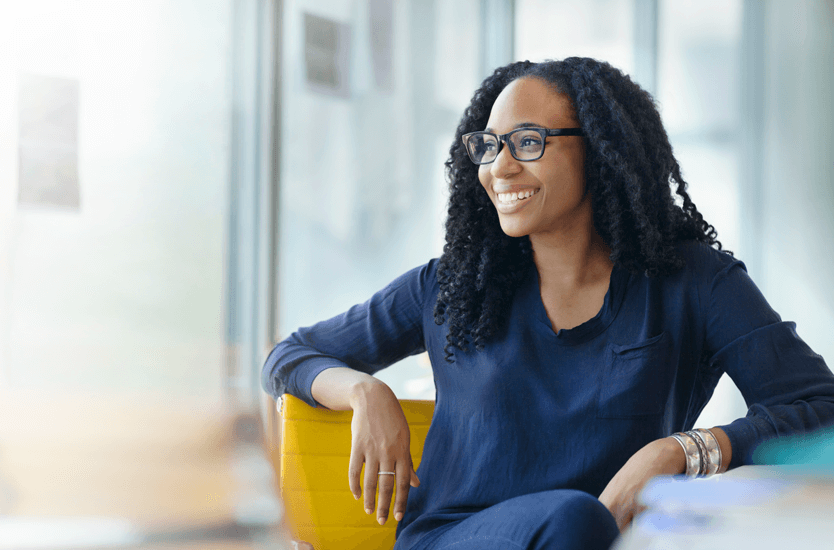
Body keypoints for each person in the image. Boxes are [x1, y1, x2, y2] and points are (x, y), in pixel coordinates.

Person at [261, 57, 834, 550]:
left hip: (604, 540)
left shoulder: (695, 283)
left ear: (602, 153)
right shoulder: (449, 286)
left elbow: (818, 405)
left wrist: (677, 452)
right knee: (572, 515)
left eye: (529, 142)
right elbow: (290, 355)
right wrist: (365, 390)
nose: (499, 167)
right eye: (487, 146)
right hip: (453, 539)